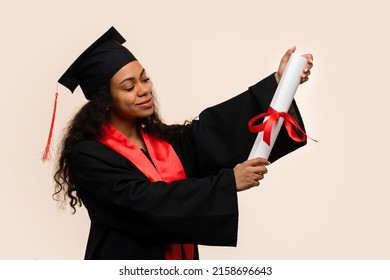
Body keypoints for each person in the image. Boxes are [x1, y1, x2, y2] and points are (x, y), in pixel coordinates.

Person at [49, 26, 313, 260]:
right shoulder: (89, 155)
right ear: (105, 101)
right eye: (129, 87)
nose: (143, 90)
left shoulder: (163, 141)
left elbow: (213, 132)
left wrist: (279, 84)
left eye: (144, 78)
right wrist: (227, 183)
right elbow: (143, 203)